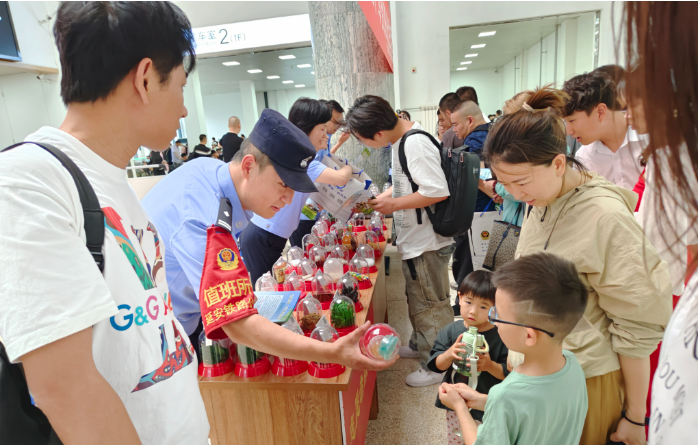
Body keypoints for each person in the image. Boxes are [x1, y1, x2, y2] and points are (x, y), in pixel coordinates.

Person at [0, 2, 208, 443]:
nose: (184, 111)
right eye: (181, 87)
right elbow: (64, 388)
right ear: (146, 79)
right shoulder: (27, 182)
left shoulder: (110, 179)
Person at [142, 108, 396, 380]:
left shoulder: (212, 173)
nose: (289, 199)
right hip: (159, 339)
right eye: (283, 185)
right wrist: (331, 352)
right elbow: (236, 323)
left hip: (185, 316)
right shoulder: (201, 218)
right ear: (249, 166)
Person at [483, 86, 672, 445]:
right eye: (505, 184)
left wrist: (636, 416)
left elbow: (638, 324)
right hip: (541, 374)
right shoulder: (542, 198)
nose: (516, 194)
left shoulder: (605, 216)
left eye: (520, 182)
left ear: (558, 163)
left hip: (585, 382)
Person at [621, 3, 698, 444]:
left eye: (635, 101)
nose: (629, 112)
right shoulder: (666, 153)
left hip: (668, 287)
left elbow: (668, 240)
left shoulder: (676, 159)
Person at [345, 95, 455, 387]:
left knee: (431, 304)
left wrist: (393, 205)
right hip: (416, 238)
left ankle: (437, 365)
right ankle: (421, 344)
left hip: (427, 240)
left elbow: (436, 190)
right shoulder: (401, 141)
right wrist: (381, 199)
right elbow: (406, 184)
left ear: (378, 133)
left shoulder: (414, 143)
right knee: (418, 298)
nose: (365, 144)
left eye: (363, 139)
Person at [438, 252, 589, 445]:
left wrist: (459, 407)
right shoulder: (573, 366)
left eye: (498, 315)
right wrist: (482, 400)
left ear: (528, 336)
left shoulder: (506, 394)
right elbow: (532, 408)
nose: (494, 320)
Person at [239, 98, 352, 283]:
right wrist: (348, 167)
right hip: (262, 235)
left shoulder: (305, 160)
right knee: (266, 290)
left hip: (272, 235)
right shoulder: (304, 163)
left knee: (276, 286)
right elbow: (341, 178)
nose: (326, 136)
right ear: (306, 129)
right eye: (322, 129)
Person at [427, 270, 508, 439]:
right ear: (460, 297)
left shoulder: (502, 336)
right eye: (468, 302)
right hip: (456, 401)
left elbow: (509, 374)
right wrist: (450, 354)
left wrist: (490, 365)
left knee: (485, 438)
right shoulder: (451, 331)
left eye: (483, 307)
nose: (473, 311)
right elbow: (436, 366)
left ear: (495, 308)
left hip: (487, 403)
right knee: (457, 437)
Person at [562, 67, 645, 190]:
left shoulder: (649, 141)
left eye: (572, 121)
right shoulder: (584, 157)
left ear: (600, 112)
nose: (569, 131)